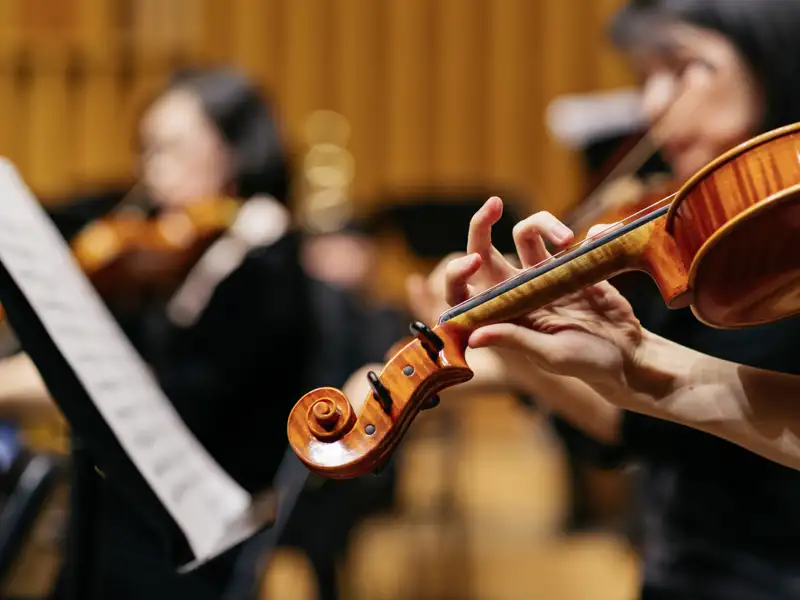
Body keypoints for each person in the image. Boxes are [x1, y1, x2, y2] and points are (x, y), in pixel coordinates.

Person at [375, 2, 800, 599]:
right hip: (680, 562)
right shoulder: (686, 227)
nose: (654, 106)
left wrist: (527, 359)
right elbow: (635, 415)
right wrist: (513, 346)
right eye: (644, 78)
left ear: (774, 59)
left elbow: (652, 427)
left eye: (684, 69)